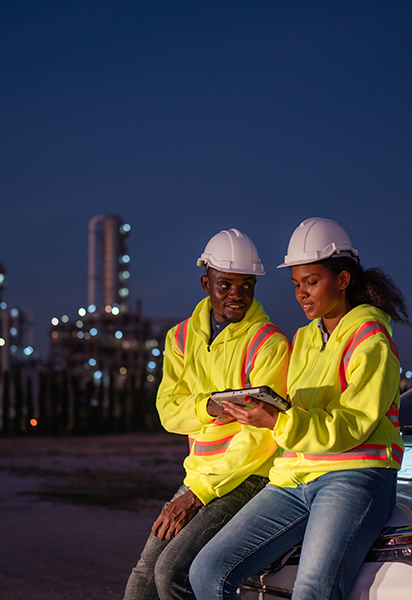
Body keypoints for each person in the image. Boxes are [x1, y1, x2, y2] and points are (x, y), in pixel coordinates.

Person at [190, 217, 410, 600]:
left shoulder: (371, 337)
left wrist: (279, 419)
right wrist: (267, 410)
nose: (301, 294)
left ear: (342, 280)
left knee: (312, 592)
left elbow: (352, 425)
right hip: (294, 477)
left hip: (353, 475)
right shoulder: (305, 337)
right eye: (295, 285)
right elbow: (299, 408)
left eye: (311, 281)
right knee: (207, 571)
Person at [123, 228, 291, 600]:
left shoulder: (269, 344)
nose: (237, 295)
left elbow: (260, 439)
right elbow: (168, 412)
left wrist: (196, 495)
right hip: (201, 475)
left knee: (172, 572)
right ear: (205, 283)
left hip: (248, 478)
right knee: (143, 578)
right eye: (226, 284)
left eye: (246, 285)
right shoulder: (180, 338)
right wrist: (210, 406)